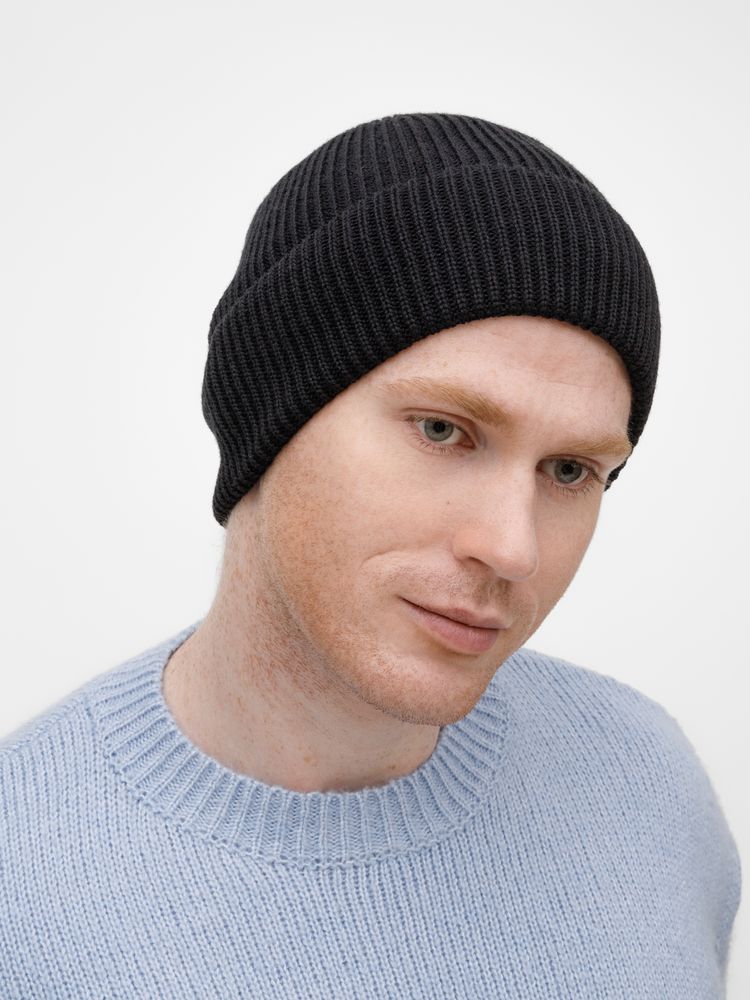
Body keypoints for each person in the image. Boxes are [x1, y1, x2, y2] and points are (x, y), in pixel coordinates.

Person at [0, 112, 740, 998]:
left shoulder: (647, 786)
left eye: (571, 470)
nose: (512, 547)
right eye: (443, 431)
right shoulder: (22, 889)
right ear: (270, 415)